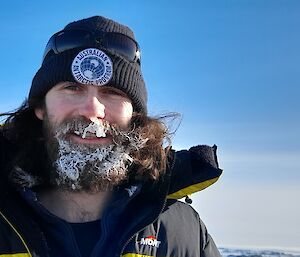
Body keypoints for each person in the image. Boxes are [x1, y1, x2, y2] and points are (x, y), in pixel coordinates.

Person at [0, 16, 223, 257]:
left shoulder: (183, 232)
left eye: (112, 92)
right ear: (40, 107)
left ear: (134, 115)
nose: (93, 111)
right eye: (73, 88)